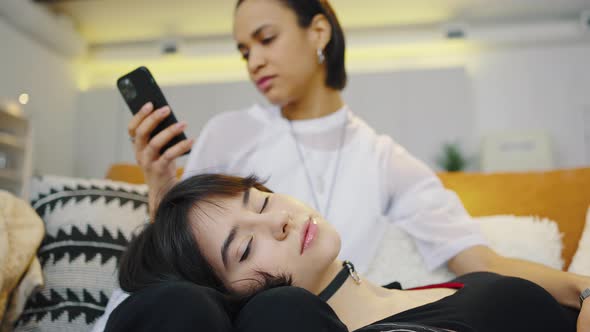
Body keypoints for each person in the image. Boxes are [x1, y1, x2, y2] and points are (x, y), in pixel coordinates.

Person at [95, 0, 590, 330]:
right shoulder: (231, 131)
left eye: (266, 39)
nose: (254, 61)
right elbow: (187, 257)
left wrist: (583, 290)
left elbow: (480, 262)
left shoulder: (383, 158)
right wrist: (159, 189)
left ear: (318, 32)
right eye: (244, 50)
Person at [109, 174, 580, 332]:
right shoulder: (284, 318)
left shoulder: (458, 285)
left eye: (264, 200)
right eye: (246, 246)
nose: (280, 220)